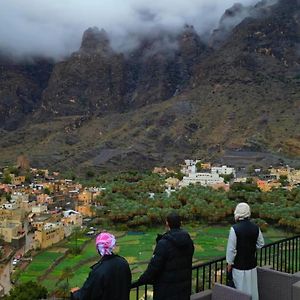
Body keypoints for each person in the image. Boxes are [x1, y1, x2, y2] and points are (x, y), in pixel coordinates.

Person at [133, 212, 194, 300]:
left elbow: (154, 267)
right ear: (181, 223)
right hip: (183, 289)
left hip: (166, 291)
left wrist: (141, 280)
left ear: (167, 223)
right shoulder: (188, 241)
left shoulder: (164, 243)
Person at [71, 232, 132, 300]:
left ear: (98, 249)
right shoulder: (123, 262)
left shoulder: (98, 271)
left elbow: (85, 295)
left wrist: (75, 293)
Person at [226, 202, 264, 300]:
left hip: (239, 266)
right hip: (251, 264)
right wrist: (251, 248)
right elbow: (261, 243)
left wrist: (229, 264)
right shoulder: (255, 227)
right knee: (252, 290)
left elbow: (231, 249)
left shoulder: (234, 229)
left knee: (240, 291)